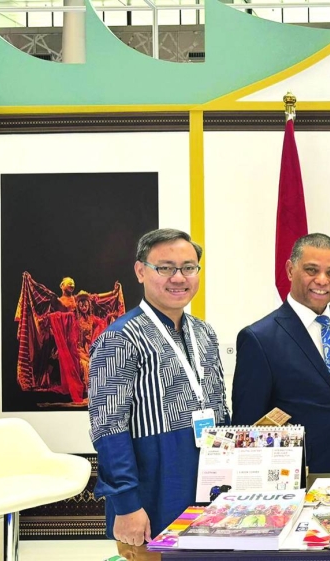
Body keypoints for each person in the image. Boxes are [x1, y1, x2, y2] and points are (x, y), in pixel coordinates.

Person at [89, 228, 229, 561]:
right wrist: (127, 504)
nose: (178, 277)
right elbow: (108, 428)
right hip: (154, 487)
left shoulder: (205, 333)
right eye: (165, 267)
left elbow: (221, 409)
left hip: (209, 480)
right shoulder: (120, 338)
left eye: (189, 267)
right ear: (140, 271)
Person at [232, 233, 330, 473]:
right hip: (295, 478)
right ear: (290, 270)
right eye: (312, 270)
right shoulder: (259, 338)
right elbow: (247, 428)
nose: (322, 280)